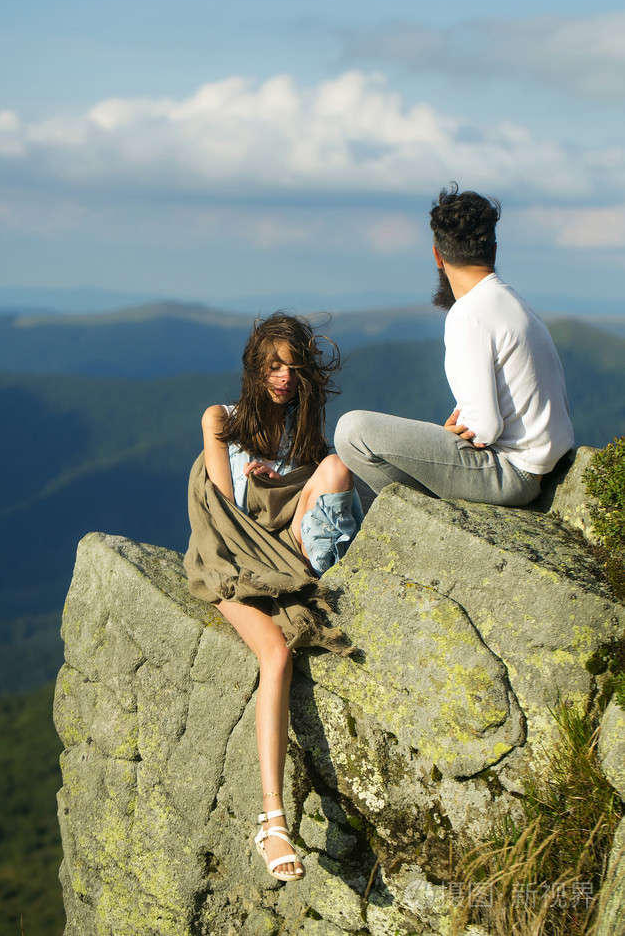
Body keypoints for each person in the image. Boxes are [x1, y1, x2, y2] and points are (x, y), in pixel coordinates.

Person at [184, 313, 362, 882]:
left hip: (288, 552)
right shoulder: (221, 421)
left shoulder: (303, 431)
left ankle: (329, 576)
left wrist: (285, 482)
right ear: (256, 367)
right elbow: (226, 514)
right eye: (273, 365)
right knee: (277, 655)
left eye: (292, 366)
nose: (283, 377)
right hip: (232, 564)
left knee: (337, 467)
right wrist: (262, 482)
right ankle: (273, 819)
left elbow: (305, 499)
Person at [334, 184, 574, 506]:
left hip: (510, 474)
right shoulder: (516, 305)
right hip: (541, 467)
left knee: (351, 431)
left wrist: (454, 432)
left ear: (437, 254)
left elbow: (485, 428)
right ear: (494, 250)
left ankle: (414, 519)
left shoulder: (468, 313)